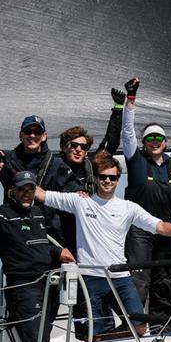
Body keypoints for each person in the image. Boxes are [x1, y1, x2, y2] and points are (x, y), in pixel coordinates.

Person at [34, 152, 171, 339]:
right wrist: (8, 172)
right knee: (92, 332)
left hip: (120, 277)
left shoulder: (128, 207)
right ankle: (99, 341)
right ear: (96, 179)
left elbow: (160, 226)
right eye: (103, 177)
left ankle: (105, 340)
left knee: (140, 328)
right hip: (90, 278)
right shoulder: (81, 201)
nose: (107, 181)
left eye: (112, 177)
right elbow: (41, 195)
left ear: (117, 179)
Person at [0, 164, 74, 342]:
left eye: (30, 188)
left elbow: (40, 246)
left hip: (48, 285)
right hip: (24, 288)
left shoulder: (38, 213)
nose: (26, 193)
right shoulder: (3, 214)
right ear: (13, 190)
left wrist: (58, 251)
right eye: (22, 189)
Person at [120, 77, 171, 318]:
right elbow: (127, 132)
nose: (154, 142)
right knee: (140, 279)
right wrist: (130, 100)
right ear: (143, 144)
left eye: (158, 139)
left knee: (164, 278)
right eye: (149, 139)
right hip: (138, 231)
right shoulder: (135, 160)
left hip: (164, 228)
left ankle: (160, 322)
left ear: (165, 143)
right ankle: (135, 323)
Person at [57, 87, 125, 254]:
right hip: (59, 237)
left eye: (83, 146)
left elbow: (111, 142)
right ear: (65, 147)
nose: (78, 149)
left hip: (88, 235)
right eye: (74, 145)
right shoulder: (52, 168)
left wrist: (117, 109)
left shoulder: (92, 166)